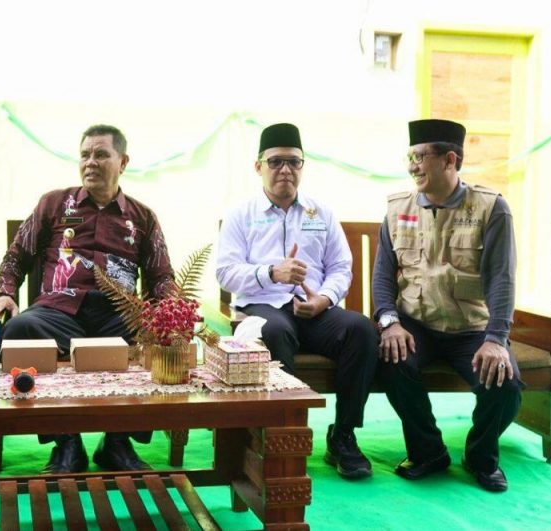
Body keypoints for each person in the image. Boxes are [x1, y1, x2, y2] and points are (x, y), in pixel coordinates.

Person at [0, 124, 175, 474]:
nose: (91, 162)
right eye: (85, 155)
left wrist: (169, 311)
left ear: (123, 162)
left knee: (156, 337)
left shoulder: (142, 217)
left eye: (101, 154)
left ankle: (117, 443)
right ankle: (66, 443)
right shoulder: (53, 204)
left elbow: (161, 276)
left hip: (119, 316)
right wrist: (5, 292)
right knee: (19, 330)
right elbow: (17, 255)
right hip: (58, 311)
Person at [216, 123, 378, 479]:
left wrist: (325, 298)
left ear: (302, 166)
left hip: (314, 310)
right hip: (262, 306)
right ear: (258, 166)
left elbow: (341, 267)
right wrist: (272, 273)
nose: (285, 169)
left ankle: (344, 436)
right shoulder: (242, 215)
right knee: (275, 331)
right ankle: (283, 436)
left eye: (293, 161)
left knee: (362, 330)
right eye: (276, 162)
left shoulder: (320, 213)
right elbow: (226, 273)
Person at [373, 119, 521, 492]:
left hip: (471, 328)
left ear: (449, 160)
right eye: (409, 157)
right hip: (415, 324)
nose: (412, 166)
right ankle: (428, 452)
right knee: (392, 361)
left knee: (506, 385)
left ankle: (480, 456)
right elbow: (383, 276)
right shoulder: (397, 209)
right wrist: (390, 322)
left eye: (420, 157)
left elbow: (502, 278)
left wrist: (496, 339)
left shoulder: (491, 208)